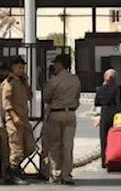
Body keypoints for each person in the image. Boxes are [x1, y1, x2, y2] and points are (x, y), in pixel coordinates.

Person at [42, 53, 81, 185]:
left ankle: (56, 173)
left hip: (55, 113)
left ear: (60, 64)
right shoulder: (75, 79)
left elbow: (46, 98)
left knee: (55, 146)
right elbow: (77, 97)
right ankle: (67, 174)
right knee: (68, 146)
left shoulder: (54, 80)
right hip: (70, 113)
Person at [2, 56, 33, 184]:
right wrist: (13, 116)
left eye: (23, 67)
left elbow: (29, 96)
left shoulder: (21, 81)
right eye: (19, 67)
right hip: (14, 119)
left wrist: (26, 82)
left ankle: (13, 167)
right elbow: (6, 101)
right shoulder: (9, 82)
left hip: (23, 118)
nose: (22, 70)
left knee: (30, 146)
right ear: (13, 68)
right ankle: (13, 173)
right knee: (16, 148)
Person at [0, 60, 16, 185]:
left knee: (7, 151)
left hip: (9, 122)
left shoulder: (11, 84)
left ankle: (6, 174)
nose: (0, 73)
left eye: (3, 71)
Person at [93, 68, 121, 167]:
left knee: (103, 138)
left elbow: (96, 103)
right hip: (114, 114)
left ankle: (104, 161)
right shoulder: (117, 88)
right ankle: (115, 158)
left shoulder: (99, 89)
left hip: (104, 114)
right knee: (115, 138)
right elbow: (119, 104)